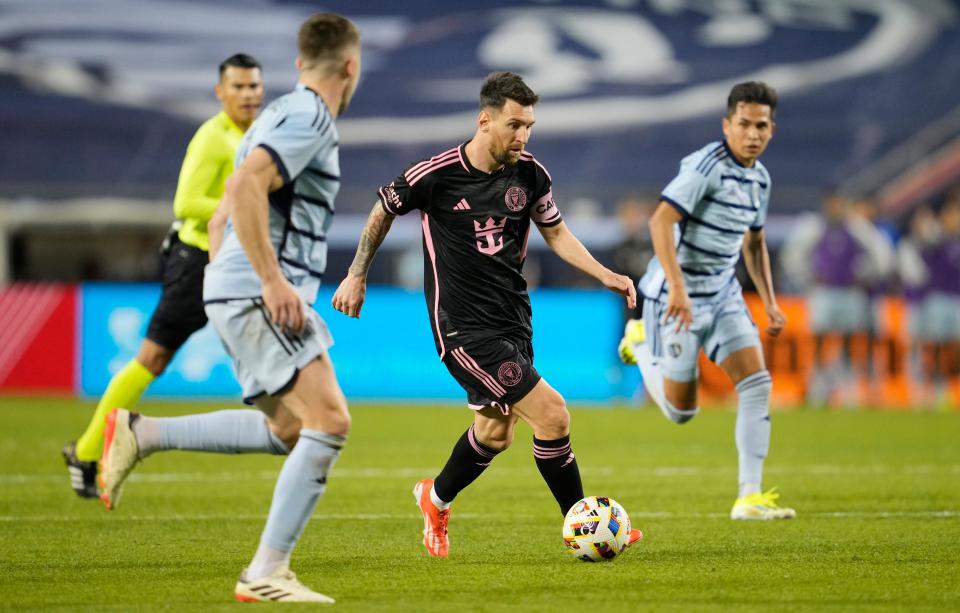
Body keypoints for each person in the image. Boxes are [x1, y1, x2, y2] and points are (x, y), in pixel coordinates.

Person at [97, 13, 361, 603]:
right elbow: (241, 190)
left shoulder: (273, 116)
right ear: (351, 65)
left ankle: (143, 432)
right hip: (257, 290)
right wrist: (266, 281)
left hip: (233, 285)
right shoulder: (309, 116)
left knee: (289, 427)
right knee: (330, 422)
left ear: (297, 64)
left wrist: (228, 276)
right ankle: (266, 572)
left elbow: (220, 214)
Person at [331, 71, 642, 557]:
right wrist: (356, 274)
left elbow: (556, 233)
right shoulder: (434, 176)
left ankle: (434, 499)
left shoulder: (531, 175)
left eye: (530, 126)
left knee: (495, 434)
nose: (523, 135)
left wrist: (604, 273)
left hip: (513, 321)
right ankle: (588, 526)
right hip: (462, 329)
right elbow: (383, 208)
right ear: (485, 120)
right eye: (515, 125)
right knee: (553, 415)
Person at [62, 53, 264, 498]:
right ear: (221, 92)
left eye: (254, 86)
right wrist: (242, 208)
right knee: (151, 358)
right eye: (239, 87)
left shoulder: (259, 136)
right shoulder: (213, 138)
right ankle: (88, 448)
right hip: (196, 261)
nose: (249, 94)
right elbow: (186, 203)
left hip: (233, 260)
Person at [618, 81, 796, 520]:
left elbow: (754, 244)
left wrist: (769, 302)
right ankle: (640, 342)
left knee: (757, 384)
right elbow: (660, 222)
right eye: (744, 124)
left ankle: (748, 497)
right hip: (676, 298)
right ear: (727, 125)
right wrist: (677, 288)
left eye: (761, 126)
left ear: (772, 129)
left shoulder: (761, 179)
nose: (752, 134)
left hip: (724, 295)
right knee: (682, 412)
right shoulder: (705, 166)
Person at [780, 192, 892, 405]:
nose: (836, 208)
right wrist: (806, 277)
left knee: (849, 341)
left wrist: (866, 275)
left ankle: (847, 389)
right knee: (819, 340)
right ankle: (817, 389)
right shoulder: (815, 226)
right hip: (824, 292)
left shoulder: (857, 227)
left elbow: (881, 251)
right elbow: (793, 254)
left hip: (850, 292)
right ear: (826, 205)